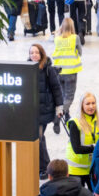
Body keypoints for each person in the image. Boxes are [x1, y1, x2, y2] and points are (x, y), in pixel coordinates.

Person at [29, 44, 63, 180]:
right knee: (39, 138)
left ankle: (44, 167)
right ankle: (44, 166)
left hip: (44, 110)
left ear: (42, 54)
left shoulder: (48, 69)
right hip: (31, 111)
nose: (34, 55)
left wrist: (59, 108)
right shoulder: (27, 68)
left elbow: (56, 88)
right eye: (31, 53)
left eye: (36, 53)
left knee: (39, 138)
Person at [52, 18, 83, 132]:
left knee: (62, 95)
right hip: (70, 71)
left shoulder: (57, 38)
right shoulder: (75, 38)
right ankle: (58, 116)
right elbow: (80, 52)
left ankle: (66, 115)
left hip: (58, 71)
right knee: (69, 97)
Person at [65, 93, 99, 189]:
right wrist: (96, 147)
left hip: (92, 167)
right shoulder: (75, 122)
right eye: (87, 104)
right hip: (76, 169)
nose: (91, 106)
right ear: (82, 106)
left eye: (93, 103)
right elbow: (77, 149)